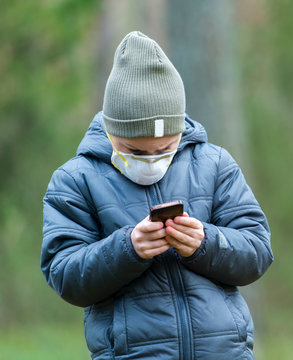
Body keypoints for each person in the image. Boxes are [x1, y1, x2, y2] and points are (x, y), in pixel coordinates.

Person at [41, 31, 273, 360]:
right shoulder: (75, 180)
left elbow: (257, 251)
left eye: (165, 149)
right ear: (111, 130)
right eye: (135, 150)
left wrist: (205, 243)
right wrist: (128, 249)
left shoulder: (215, 164)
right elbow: (64, 274)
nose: (151, 160)